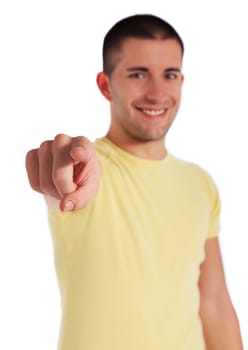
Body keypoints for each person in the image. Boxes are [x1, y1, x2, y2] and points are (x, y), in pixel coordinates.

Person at [25, 14, 243, 350]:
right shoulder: (86, 171)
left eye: (169, 75)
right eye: (138, 74)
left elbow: (214, 304)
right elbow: (65, 181)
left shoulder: (201, 184)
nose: (157, 93)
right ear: (105, 84)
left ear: (181, 81)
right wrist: (62, 164)